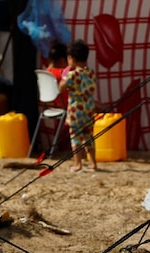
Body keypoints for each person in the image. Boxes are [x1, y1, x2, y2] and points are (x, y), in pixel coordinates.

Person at [59, 39, 97, 172]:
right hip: (89, 110)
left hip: (76, 111)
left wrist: (65, 75)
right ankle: (93, 162)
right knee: (89, 136)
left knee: (75, 137)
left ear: (72, 59)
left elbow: (61, 88)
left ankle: (78, 163)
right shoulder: (91, 72)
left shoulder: (72, 75)